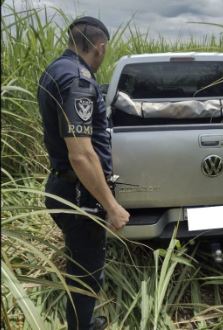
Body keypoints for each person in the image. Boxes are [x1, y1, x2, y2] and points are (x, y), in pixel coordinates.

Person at [37, 16, 130, 330]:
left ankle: (83, 321)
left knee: (81, 262)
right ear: (100, 47)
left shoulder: (54, 70)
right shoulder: (79, 80)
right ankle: (82, 326)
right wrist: (113, 206)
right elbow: (81, 155)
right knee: (87, 271)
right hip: (79, 193)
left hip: (64, 185)